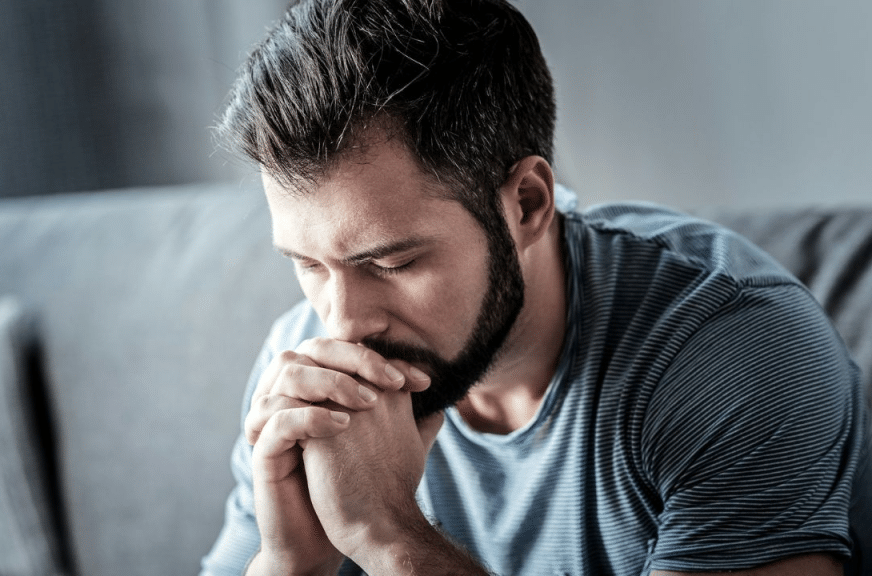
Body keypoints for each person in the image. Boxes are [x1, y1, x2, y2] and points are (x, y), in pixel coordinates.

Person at [201, 0, 872, 574]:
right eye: (311, 266)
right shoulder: (304, 376)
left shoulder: (732, 351)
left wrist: (390, 539)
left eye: (392, 263)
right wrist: (290, 563)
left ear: (525, 203)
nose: (341, 324)